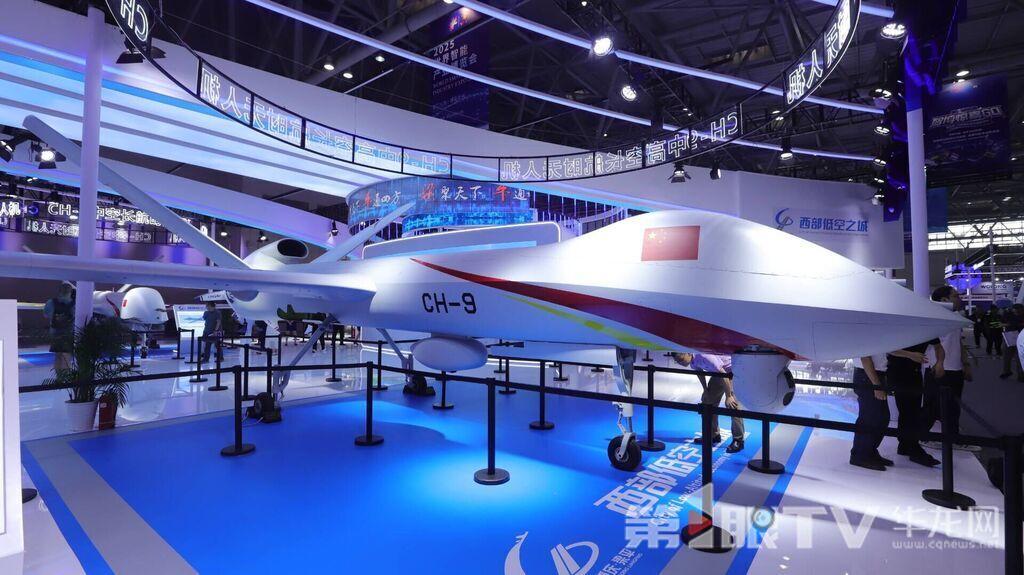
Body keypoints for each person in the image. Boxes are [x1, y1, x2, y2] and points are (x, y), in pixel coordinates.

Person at [922, 286, 978, 452]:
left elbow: (958, 342)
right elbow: (932, 344)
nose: (959, 298)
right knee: (933, 407)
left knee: (953, 407)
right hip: (938, 368)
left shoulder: (955, 317)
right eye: (955, 296)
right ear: (944, 300)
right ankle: (921, 437)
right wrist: (938, 364)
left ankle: (954, 439)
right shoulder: (934, 317)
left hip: (955, 369)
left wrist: (965, 364)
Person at [672, 352, 744, 453]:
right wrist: (706, 391)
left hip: (732, 373)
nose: (680, 363)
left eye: (681, 359)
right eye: (677, 361)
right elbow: (699, 372)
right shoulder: (692, 361)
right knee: (707, 402)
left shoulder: (705, 357)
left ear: (687, 353)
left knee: (733, 405)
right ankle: (713, 435)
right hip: (719, 374)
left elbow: (724, 375)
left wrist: (728, 396)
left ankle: (738, 440)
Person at [887, 339, 942, 467]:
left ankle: (906, 444)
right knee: (908, 410)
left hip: (914, 371)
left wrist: (940, 362)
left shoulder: (926, 330)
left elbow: (939, 346)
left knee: (911, 410)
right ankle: (912, 446)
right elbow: (889, 348)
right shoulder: (904, 329)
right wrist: (910, 355)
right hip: (899, 372)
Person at [850, 353, 893, 471]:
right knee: (870, 417)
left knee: (881, 417)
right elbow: (865, 358)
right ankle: (860, 455)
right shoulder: (867, 340)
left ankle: (869, 451)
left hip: (874, 374)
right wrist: (876, 385)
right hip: (868, 375)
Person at [43, 283, 75, 371]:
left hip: (55, 332)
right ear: (70, 292)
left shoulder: (51, 302)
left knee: (58, 356)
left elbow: (46, 315)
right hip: (69, 332)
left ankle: (58, 376)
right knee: (67, 357)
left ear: (59, 291)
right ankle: (66, 377)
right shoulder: (74, 303)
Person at [1000, 305, 1024, 379]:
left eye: (1019, 309)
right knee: (1006, 356)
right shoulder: (1008, 314)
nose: (1017, 311)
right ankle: (1007, 371)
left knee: (1019, 357)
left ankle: (1021, 375)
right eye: (1016, 309)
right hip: (1009, 336)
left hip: (1019, 337)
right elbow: (1002, 322)